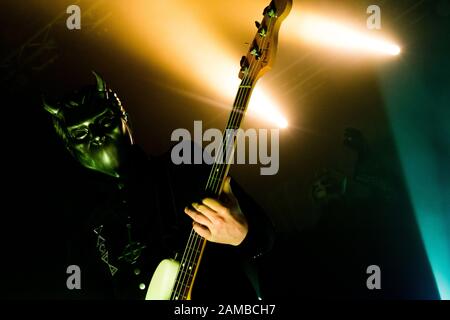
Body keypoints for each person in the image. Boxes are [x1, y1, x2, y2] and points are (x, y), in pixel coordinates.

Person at [42, 71, 274, 300]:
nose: (97, 135)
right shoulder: (84, 231)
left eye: (105, 121)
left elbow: (267, 238)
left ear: (126, 121)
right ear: (71, 150)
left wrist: (242, 235)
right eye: (80, 134)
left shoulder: (182, 163)